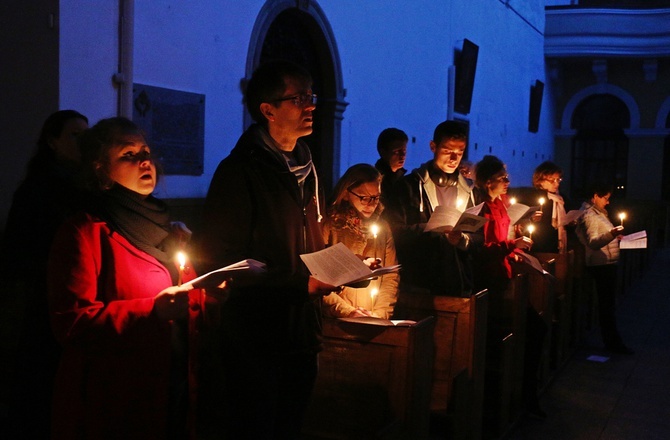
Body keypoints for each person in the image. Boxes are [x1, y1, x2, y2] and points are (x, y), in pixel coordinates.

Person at [196, 60, 338, 439]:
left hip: (301, 332)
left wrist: (345, 268)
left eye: (312, 96)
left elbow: (308, 242)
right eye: (299, 98)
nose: (311, 105)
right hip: (257, 337)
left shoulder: (306, 166)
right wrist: (296, 286)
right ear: (268, 110)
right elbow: (222, 260)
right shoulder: (240, 172)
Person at [47, 117, 204, 439]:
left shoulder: (164, 227)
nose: (145, 160)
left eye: (145, 151)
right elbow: (72, 323)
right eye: (128, 155)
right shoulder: (85, 231)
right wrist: (152, 311)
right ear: (100, 169)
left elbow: (181, 298)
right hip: (115, 395)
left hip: (171, 383)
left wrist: (211, 295)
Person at [1, 110, 88, 439]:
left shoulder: (83, 186)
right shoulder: (38, 190)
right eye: (74, 135)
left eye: (86, 134)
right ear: (52, 142)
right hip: (46, 297)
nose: (83, 141)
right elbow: (19, 250)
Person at [472, 155, 547, 419]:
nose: (508, 181)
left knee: (535, 328)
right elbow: (481, 249)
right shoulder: (481, 207)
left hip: (504, 277)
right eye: (503, 178)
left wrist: (515, 250)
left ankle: (527, 392)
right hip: (489, 282)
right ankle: (515, 398)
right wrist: (512, 246)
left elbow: (503, 239)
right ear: (489, 180)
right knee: (527, 331)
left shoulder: (501, 204)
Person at [383, 120, 477, 297]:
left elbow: (480, 237)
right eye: (448, 151)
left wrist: (462, 240)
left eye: (460, 152)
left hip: (459, 283)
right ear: (433, 146)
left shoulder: (470, 191)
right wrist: (432, 230)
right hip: (419, 283)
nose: (453, 159)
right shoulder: (408, 186)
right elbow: (394, 231)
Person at [321, 164, 399, 319]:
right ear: (345, 193)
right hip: (337, 320)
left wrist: (379, 315)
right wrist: (347, 312)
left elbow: (391, 276)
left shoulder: (382, 229)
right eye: (364, 198)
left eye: (375, 198)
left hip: (371, 316)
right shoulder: (329, 224)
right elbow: (317, 277)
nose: (371, 204)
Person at [576, 183, 632, 355]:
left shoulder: (597, 213)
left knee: (607, 306)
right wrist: (612, 235)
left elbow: (602, 237)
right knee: (606, 307)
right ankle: (613, 343)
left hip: (605, 265)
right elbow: (593, 242)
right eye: (606, 198)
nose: (608, 202)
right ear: (595, 196)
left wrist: (616, 237)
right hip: (601, 266)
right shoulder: (590, 215)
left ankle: (613, 342)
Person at [526, 161, 570, 254]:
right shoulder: (531, 198)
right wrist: (531, 219)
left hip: (558, 247)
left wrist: (572, 222)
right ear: (540, 180)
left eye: (558, 179)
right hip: (539, 247)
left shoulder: (562, 199)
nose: (556, 183)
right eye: (552, 180)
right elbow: (522, 224)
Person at [375, 127, 408, 202]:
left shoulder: (402, 180)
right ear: (383, 152)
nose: (402, 155)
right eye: (397, 151)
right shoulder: (376, 181)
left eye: (404, 151)